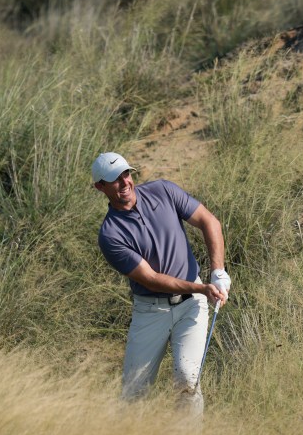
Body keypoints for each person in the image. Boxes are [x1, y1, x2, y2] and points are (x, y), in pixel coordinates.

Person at [92, 151, 230, 417]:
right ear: (101, 187)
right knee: (133, 394)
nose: (124, 183)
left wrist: (218, 272)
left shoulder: (162, 190)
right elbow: (152, 279)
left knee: (187, 383)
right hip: (151, 312)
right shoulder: (110, 235)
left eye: (126, 174)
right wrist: (201, 288)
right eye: (114, 180)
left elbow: (209, 222)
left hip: (192, 306)